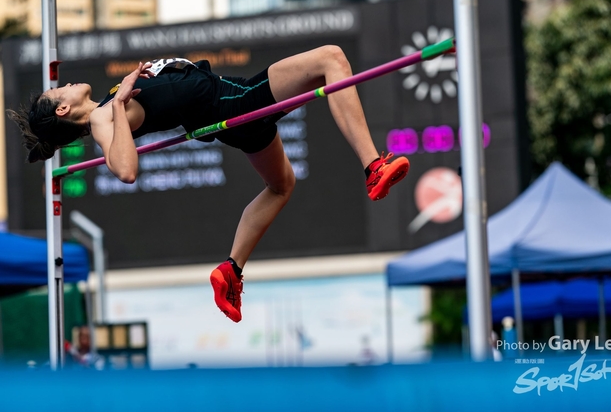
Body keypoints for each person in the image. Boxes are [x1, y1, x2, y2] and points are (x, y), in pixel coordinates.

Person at [8, 46, 410, 323]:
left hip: (228, 108)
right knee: (331, 59)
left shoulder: (105, 110)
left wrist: (120, 100)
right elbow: (125, 170)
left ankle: (232, 270)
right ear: (63, 108)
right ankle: (373, 165)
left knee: (281, 185)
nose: (64, 84)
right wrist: (117, 103)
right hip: (235, 102)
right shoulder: (101, 116)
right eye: (57, 91)